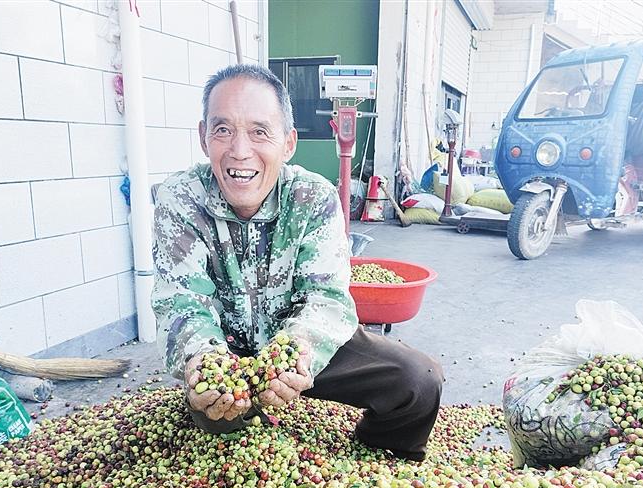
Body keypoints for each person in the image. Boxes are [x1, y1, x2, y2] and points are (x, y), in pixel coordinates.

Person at [152, 64, 443, 461]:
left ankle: (378, 454)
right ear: (204, 139)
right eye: (223, 130)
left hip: (305, 345)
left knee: (419, 382)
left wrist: (299, 348)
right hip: (228, 356)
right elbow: (182, 301)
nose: (240, 150)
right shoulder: (180, 200)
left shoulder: (313, 197)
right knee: (219, 417)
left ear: (288, 143)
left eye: (259, 131)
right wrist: (203, 359)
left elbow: (325, 297)